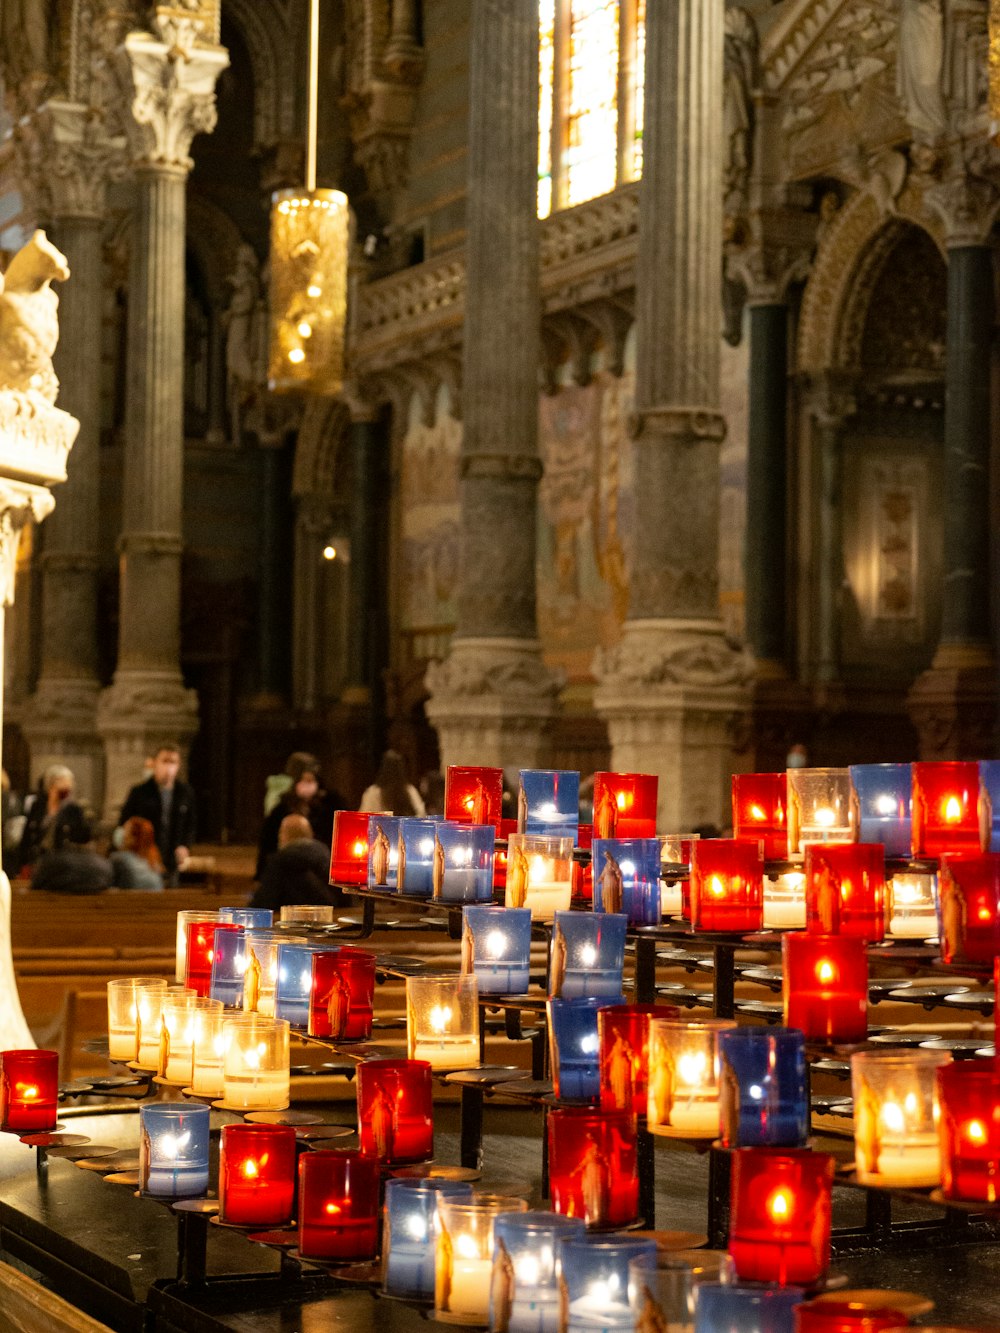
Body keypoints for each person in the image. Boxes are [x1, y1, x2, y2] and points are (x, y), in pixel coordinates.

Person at [255, 753, 345, 880]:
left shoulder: (331, 806)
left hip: (323, 870)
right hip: (288, 871)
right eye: (303, 780)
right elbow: (267, 844)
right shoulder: (281, 810)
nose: (307, 785)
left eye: (310, 780)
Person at [117, 744, 196, 887]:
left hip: (172, 857)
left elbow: (191, 825)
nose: (168, 767)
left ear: (178, 766)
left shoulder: (185, 793)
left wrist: (185, 846)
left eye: (173, 762)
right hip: (145, 858)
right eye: (164, 761)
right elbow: (124, 822)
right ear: (154, 763)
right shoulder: (140, 792)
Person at [250, 813, 343, 912]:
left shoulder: (280, 862)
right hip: (330, 919)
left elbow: (264, 902)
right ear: (310, 833)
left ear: (285, 835)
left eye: (281, 832)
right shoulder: (327, 858)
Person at [15, 764, 90, 877]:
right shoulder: (38, 806)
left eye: (69, 783)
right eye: (62, 782)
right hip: (38, 860)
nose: (67, 786)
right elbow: (27, 836)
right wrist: (23, 862)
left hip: (63, 862)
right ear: (51, 784)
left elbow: (84, 837)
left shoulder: (74, 809)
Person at [31, 811, 111, 895]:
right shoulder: (105, 866)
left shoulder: (51, 864)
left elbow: (34, 889)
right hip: (97, 906)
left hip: (53, 907)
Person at [359, 750, 425, 816]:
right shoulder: (410, 791)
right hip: (404, 826)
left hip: (381, 826)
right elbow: (421, 814)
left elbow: (364, 817)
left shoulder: (372, 793)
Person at [109, 816, 165, 891]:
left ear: (133, 839)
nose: (120, 833)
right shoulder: (154, 861)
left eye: (124, 830)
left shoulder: (120, 859)